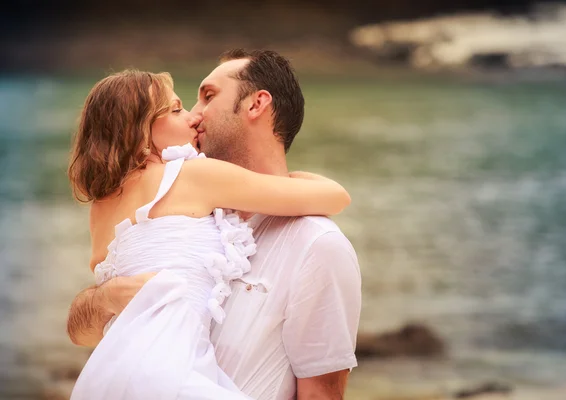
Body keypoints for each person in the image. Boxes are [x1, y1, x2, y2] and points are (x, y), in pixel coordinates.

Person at [67, 50, 362, 399]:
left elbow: (322, 394)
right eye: (178, 108)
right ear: (141, 130)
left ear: (256, 104)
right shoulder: (195, 194)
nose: (193, 115)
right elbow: (80, 327)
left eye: (207, 97)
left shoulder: (317, 243)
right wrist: (103, 299)